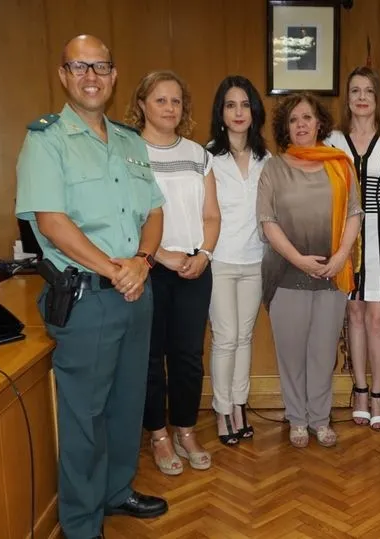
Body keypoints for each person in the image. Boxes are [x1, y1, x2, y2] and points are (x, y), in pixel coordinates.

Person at [14, 35, 168, 539]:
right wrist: (113, 268)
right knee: (85, 416)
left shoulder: (129, 141)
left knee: (128, 403)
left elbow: (154, 211)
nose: (91, 76)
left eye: (100, 66)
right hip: (85, 301)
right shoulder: (46, 140)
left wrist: (142, 263)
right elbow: (51, 222)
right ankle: (80, 524)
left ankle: (116, 490)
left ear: (113, 74)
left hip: (135, 292)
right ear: (63, 75)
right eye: (80, 67)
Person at [124, 70, 221, 475]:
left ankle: (185, 428)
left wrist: (204, 254)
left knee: (188, 356)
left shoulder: (200, 155)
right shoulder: (126, 153)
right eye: (160, 100)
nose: (169, 108)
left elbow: (212, 215)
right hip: (149, 268)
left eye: (176, 101)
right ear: (142, 104)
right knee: (150, 358)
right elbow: (126, 218)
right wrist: (159, 256)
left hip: (195, 268)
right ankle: (158, 434)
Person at [258, 92, 362, 448]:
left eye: (307, 117)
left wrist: (341, 256)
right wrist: (298, 259)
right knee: (291, 352)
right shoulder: (274, 167)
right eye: (293, 120)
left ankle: (320, 418)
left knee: (322, 350)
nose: (301, 125)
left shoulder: (340, 164)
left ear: (320, 123)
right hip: (286, 274)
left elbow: (354, 213)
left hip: (333, 273)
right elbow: (267, 221)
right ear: (285, 127)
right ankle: (297, 418)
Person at [325, 66, 380, 431]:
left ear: (377, 98)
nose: (361, 97)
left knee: (376, 317)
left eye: (368, 91)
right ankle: (358, 389)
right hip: (345, 237)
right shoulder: (332, 141)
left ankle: (377, 393)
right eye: (354, 90)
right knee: (353, 315)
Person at [206, 75, 271, 445]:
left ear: (254, 111)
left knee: (244, 336)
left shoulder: (267, 159)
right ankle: (221, 409)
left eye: (245, 104)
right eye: (231, 105)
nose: (238, 112)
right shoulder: (207, 157)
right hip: (219, 260)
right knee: (226, 337)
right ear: (221, 112)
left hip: (254, 260)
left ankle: (240, 406)